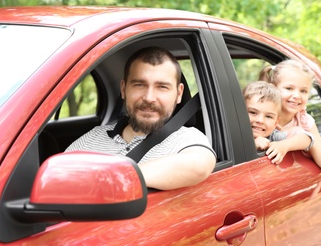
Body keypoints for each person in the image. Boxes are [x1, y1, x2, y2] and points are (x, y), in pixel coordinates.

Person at [66, 46, 216, 190]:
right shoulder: (93, 137)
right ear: (124, 89)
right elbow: (58, 178)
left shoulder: (185, 138)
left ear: (179, 94)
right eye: (139, 85)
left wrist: (114, 179)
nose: (149, 98)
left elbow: (199, 166)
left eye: (162, 87)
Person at [259, 59, 321, 170]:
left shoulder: (304, 120)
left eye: (303, 91)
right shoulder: (259, 115)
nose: (297, 96)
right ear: (273, 88)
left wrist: (287, 144)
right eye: (289, 88)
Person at [243, 81, 313, 165]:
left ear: (276, 123)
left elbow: (306, 139)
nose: (260, 120)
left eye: (268, 116)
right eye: (253, 112)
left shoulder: (273, 136)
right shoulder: (229, 135)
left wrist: (284, 145)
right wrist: (251, 145)